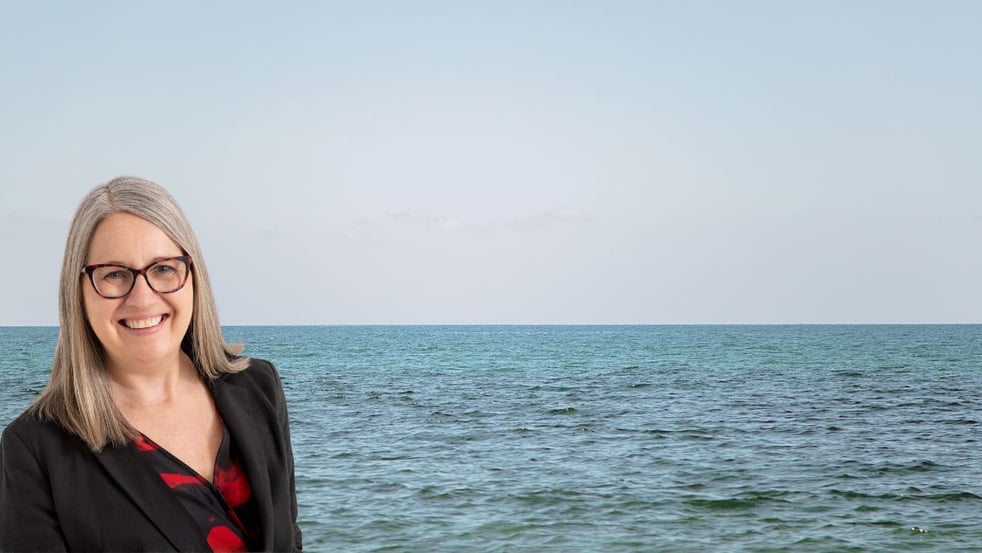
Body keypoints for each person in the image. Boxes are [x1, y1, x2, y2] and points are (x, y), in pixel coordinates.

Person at [0, 177, 302, 552]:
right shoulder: (33, 450)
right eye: (114, 274)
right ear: (78, 291)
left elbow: (289, 539)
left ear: (192, 276)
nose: (142, 299)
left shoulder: (258, 386)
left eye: (163, 269)